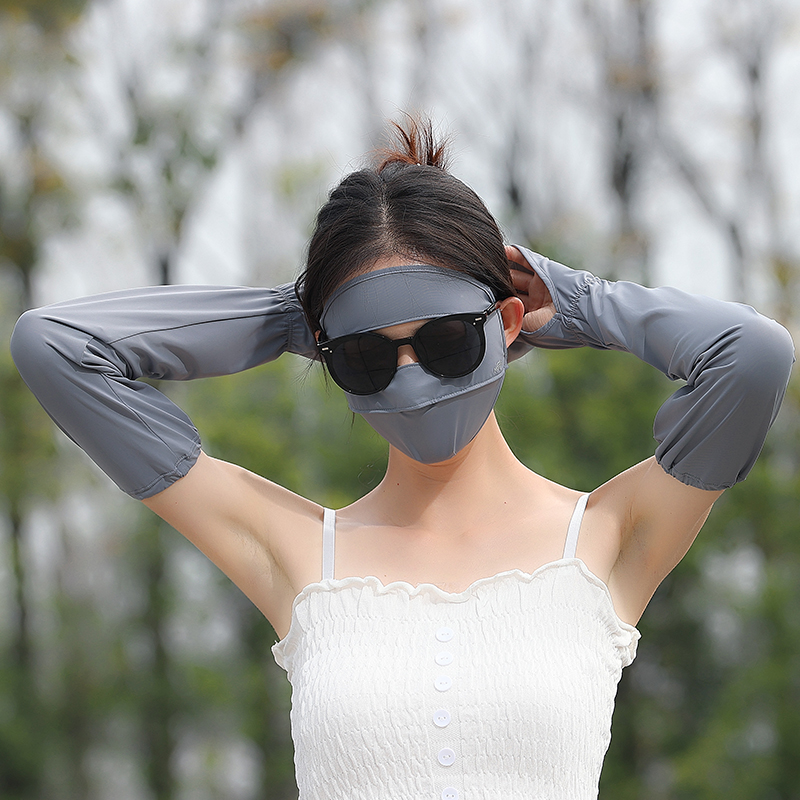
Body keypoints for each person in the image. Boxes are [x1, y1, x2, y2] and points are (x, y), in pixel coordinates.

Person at [10, 118, 795, 800]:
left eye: (448, 340)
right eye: (366, 357)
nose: (412, 377)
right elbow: (57, 347)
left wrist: (579, 299)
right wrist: (298, 313)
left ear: (508, 321)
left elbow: (750, 355)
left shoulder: (608, 538)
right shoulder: (293, 551)